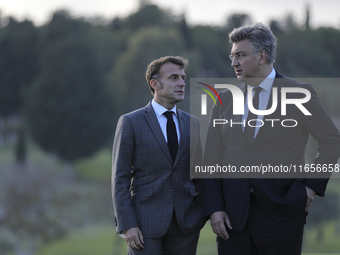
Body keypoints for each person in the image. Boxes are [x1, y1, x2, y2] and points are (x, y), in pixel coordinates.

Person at [202, 23, 340, 255]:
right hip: (232, 220)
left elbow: (333, 141)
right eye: (232, 56)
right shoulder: (224, 99)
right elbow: (211, 160)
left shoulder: (298, 95)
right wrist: (214, 208)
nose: (234, 62)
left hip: (283, 213)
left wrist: (310, 188)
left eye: (241, 55)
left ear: (262, 56)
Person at [112, 56, 205, 255]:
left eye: (183, 77)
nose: (181, 83)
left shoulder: (193, 123)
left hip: (186, 226)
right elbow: (120, 178)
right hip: (144, 227)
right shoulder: (131, 122)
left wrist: (201, 213)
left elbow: (202, 175)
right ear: (155, 84)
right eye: (174, 77)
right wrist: (128, 224)